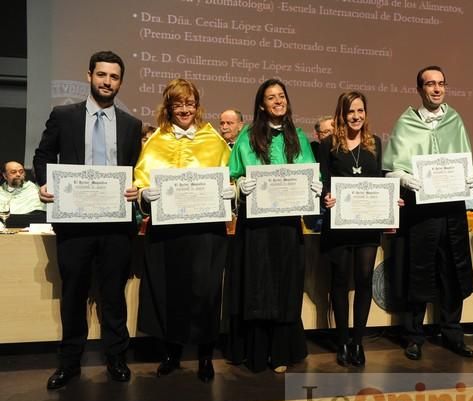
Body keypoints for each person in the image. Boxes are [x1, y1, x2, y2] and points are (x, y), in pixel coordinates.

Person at [33, 51, 142, 389]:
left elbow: (136, 169)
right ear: (89, 76)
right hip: (75, 224)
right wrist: (43, 182)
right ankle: (69, 363)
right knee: (74, 293)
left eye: (114, 77)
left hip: (116, 226)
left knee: (113, 294)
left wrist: (138, 187)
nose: (107, 82)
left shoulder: (131, 124)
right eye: (101, 75)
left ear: (120, 82)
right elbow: (43, 155)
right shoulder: (63, 115)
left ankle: (116, 358)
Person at [133, 79, 233, 382]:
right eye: (178, 104)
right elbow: (141, 181)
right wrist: (143, 195)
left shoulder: (213, 139)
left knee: (205, 293)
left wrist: (232, 190)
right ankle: (172, 353)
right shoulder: (156, 140)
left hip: (206, 234)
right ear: (169, 107)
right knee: (170, 291)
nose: (185, 109)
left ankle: (205, 356)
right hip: (168, 234)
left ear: (197, 106)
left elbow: (229, 176)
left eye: (190, 103)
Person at [383, 65, 473, 361]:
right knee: (418, 271)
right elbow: (390, 168)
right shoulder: (405, 123)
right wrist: (403, 177)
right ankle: (414, 336)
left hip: (451, 210)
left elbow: (464, 162)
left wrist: (472, 176)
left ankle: (452, 333)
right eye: (430, 84)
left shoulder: (455, 120)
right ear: (420, 89)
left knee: (453, 268)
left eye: (441, 84)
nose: (436, 89)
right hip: (420, 213)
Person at [225, 78, 321, 373]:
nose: (278, 101)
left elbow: (308, 172)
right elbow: (232, 175)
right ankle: (256, 353)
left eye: (282, 96)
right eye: (271, 97)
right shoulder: (248, 136)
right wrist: (241, 183)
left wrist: (314, 185)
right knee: (258, 287)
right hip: (256, 227)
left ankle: (280, 352)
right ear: (261, 105)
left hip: (287, 225)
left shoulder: (298, 136)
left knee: (284, 286)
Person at [319, 91, 387, 367]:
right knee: (339, 281)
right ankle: (342, 342)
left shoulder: (375, 144)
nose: (356, 116)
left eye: (360, 111)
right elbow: (322, 179)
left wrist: (389, 199)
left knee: (363, 280)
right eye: (351, 112)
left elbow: (378, 180)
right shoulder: (328, 144)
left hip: (367, 225)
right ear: (341, 114)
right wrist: (325, 195)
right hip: (339, 224)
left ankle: (358, 342)